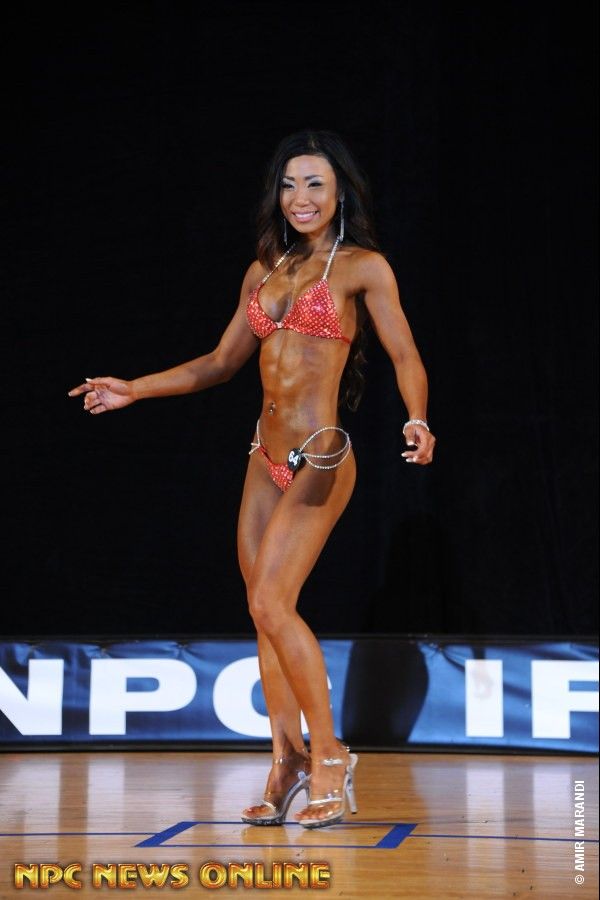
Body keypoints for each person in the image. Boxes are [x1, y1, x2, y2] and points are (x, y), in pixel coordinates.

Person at [68, 129, 436, 829]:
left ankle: (330, 755)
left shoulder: (363, 268)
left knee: (271, 599)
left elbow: (405, 353)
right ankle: (285, 758)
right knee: (263, 613)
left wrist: (417, 418)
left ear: (340, 194)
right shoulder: (263, 271)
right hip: (264, 460)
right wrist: (134, 389)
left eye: (315, 184)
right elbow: (218, 363)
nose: (301, 197)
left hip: (321, 456)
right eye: (289, 184)